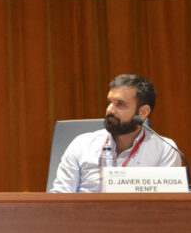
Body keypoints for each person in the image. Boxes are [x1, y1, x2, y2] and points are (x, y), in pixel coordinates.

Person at [50, 74, 182, 193]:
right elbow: (59, 198)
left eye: (120, 105)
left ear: (143, 112)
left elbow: (167, 205)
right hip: (85, 217)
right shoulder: (82, 145)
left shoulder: (165, 150)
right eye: (109, 103)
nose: (109, 110)